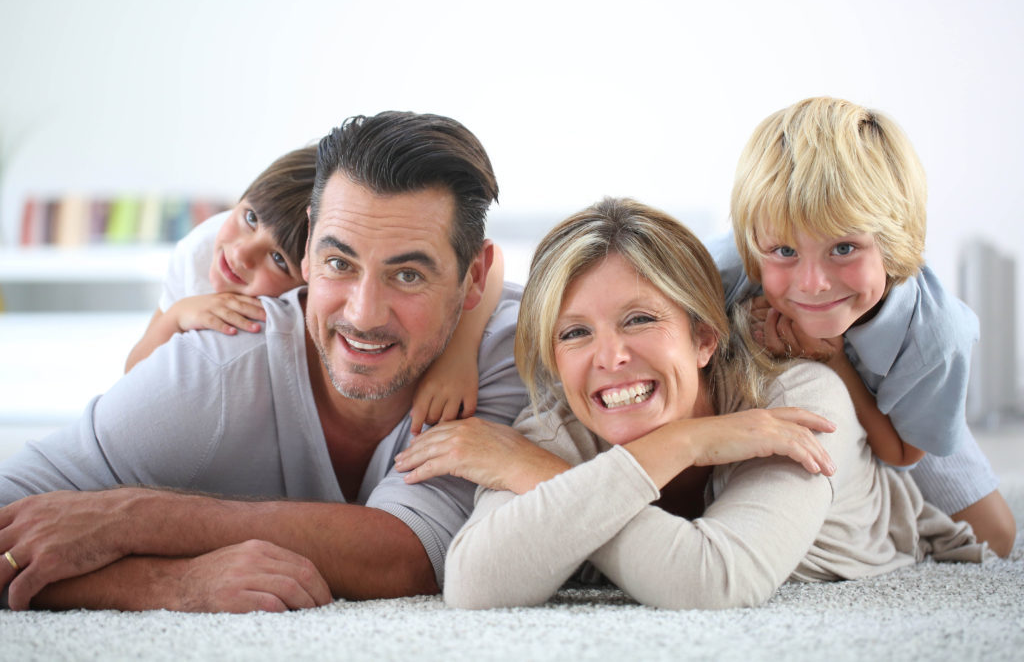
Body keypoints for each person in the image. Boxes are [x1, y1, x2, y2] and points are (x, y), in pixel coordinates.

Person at [0, 111, 527, 612]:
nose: (363, 314)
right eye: (338, 262)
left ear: (474, 278)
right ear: (306, 253)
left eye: (408, 275)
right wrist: (169, 584)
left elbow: (410, 554)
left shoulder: (505, 357)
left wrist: (134, 517)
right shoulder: (214, 365)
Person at [396, 198, 988, 610]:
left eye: (640, 319)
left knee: (1002, 532)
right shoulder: (561, 415)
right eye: (574, 333)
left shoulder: (798, 399)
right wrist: (683, 442)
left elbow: (712, 581)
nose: (610, 357)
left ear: (705, 337)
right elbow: (475, 581)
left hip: (901, 495)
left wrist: (543, 478)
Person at [712, 96, 1015, 556]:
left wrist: (834, 360)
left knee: (996, 538)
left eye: (844, 248)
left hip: (898, 417)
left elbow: (903, 454)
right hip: (786, 405)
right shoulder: (726, 272)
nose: (812, 285)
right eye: (785, 252)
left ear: (893, 242)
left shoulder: (935, 335)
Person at [124, 145, 505, 433]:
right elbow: (132, 386)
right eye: (250, 217)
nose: (241, 254)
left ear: (311, 279)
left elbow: (490, 265)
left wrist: (459, 356)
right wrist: (176, 316)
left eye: (277, 260)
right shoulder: (202, 250)